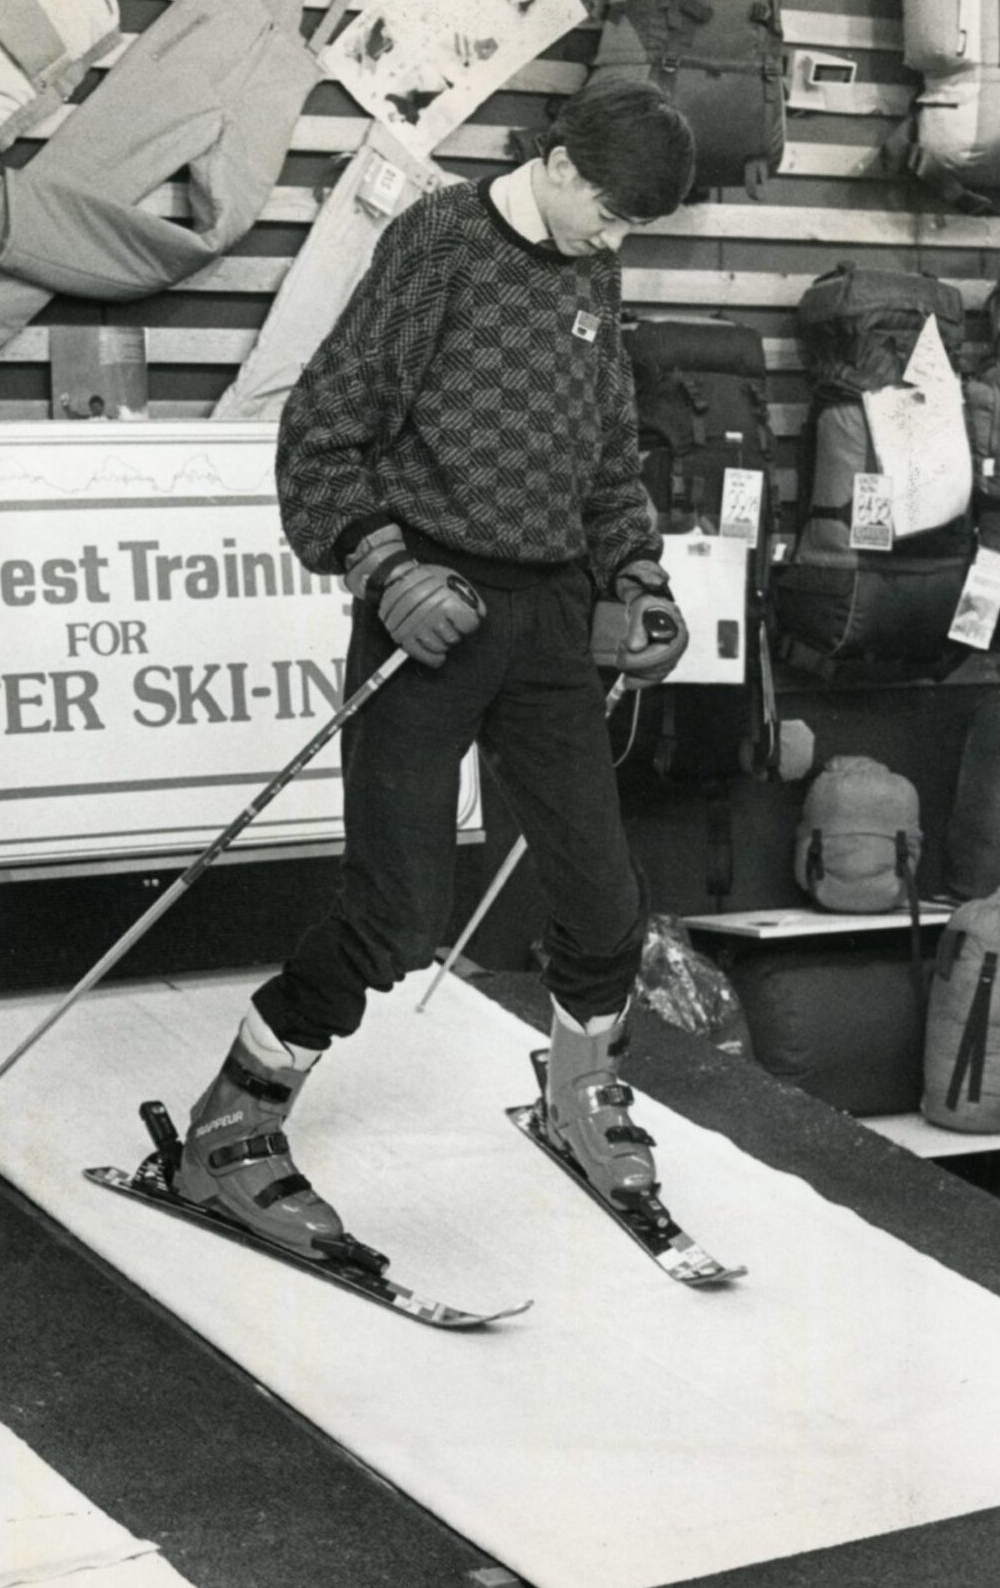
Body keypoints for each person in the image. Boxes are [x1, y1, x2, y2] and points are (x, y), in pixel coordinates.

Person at [170, 80, 698, 1258]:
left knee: (604, 901)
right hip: (433, 615)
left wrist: (635, 579)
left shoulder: (590, 268)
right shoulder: (442, 240)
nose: (614, 243)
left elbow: (608, 457)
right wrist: (379, 565)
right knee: (397, 914)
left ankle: (577, 1092)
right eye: (607, 213)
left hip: (552, 619)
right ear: (555, 162)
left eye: (629, 231)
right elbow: (320, 430)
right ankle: (231, 1122)